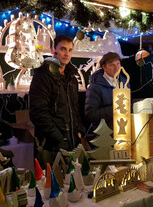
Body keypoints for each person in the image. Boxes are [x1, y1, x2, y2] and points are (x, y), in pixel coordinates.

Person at [29, 35, 85, 166]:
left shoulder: (72, 79)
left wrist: (79, 130)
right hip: (50, 146)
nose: (67, 54)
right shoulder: (42, 76)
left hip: (72, 143)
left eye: (70, 50)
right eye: (63, 49)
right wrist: (59, 138)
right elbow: (37, 113)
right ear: (54, 50)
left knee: (73, 182)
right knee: (49, 184)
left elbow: (75, 109)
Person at [85, 52, 128, 135]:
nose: (116, 68)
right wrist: (115, 109)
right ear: (104, 67)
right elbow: (90, 115)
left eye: (118, 64)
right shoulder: (95, 87)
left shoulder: (125, 83)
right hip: (103, 136)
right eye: (112, 65)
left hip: (123, 133)